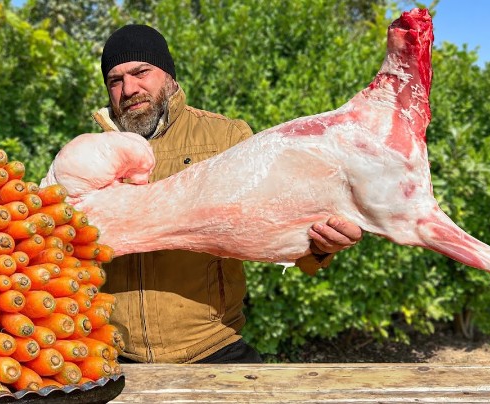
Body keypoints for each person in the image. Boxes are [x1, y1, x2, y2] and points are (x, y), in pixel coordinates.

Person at [93, 24, 363, 364]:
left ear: (169, 76)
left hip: (213, 347)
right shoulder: (90, 156)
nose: (128, 88)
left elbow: (279, 218)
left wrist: (321, 246)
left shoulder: (225, 136)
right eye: (114, 81)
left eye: (140, 72)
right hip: (113, 355)